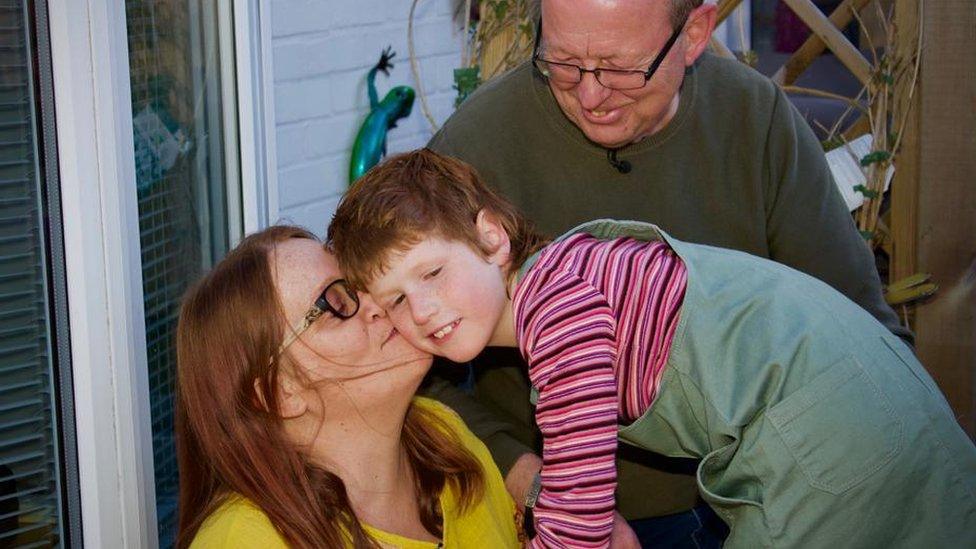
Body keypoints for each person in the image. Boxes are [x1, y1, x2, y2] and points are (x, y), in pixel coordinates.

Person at [426, 0, 912, 543]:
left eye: (620, 68)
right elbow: (418, 379)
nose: (590, 94)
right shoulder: (474, 146)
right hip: (574, 517)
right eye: (561, 61)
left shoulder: (756, 117)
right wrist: (539, 485)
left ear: (695, 33)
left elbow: (861, 326)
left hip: (776, 497)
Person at [328, 149, 976, 548]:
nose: (424, 311)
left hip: (821, 441)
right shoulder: (576, 269)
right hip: (883, 401)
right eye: (394, 303)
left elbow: (579, 500)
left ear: (492, 238)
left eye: (432, 274)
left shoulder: (554, 307)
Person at [174, 225, 519, 548]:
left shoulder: (445, 435)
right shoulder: (245, 541)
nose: (377, 302)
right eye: (335, 304)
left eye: (359, 281)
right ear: (280, 394)